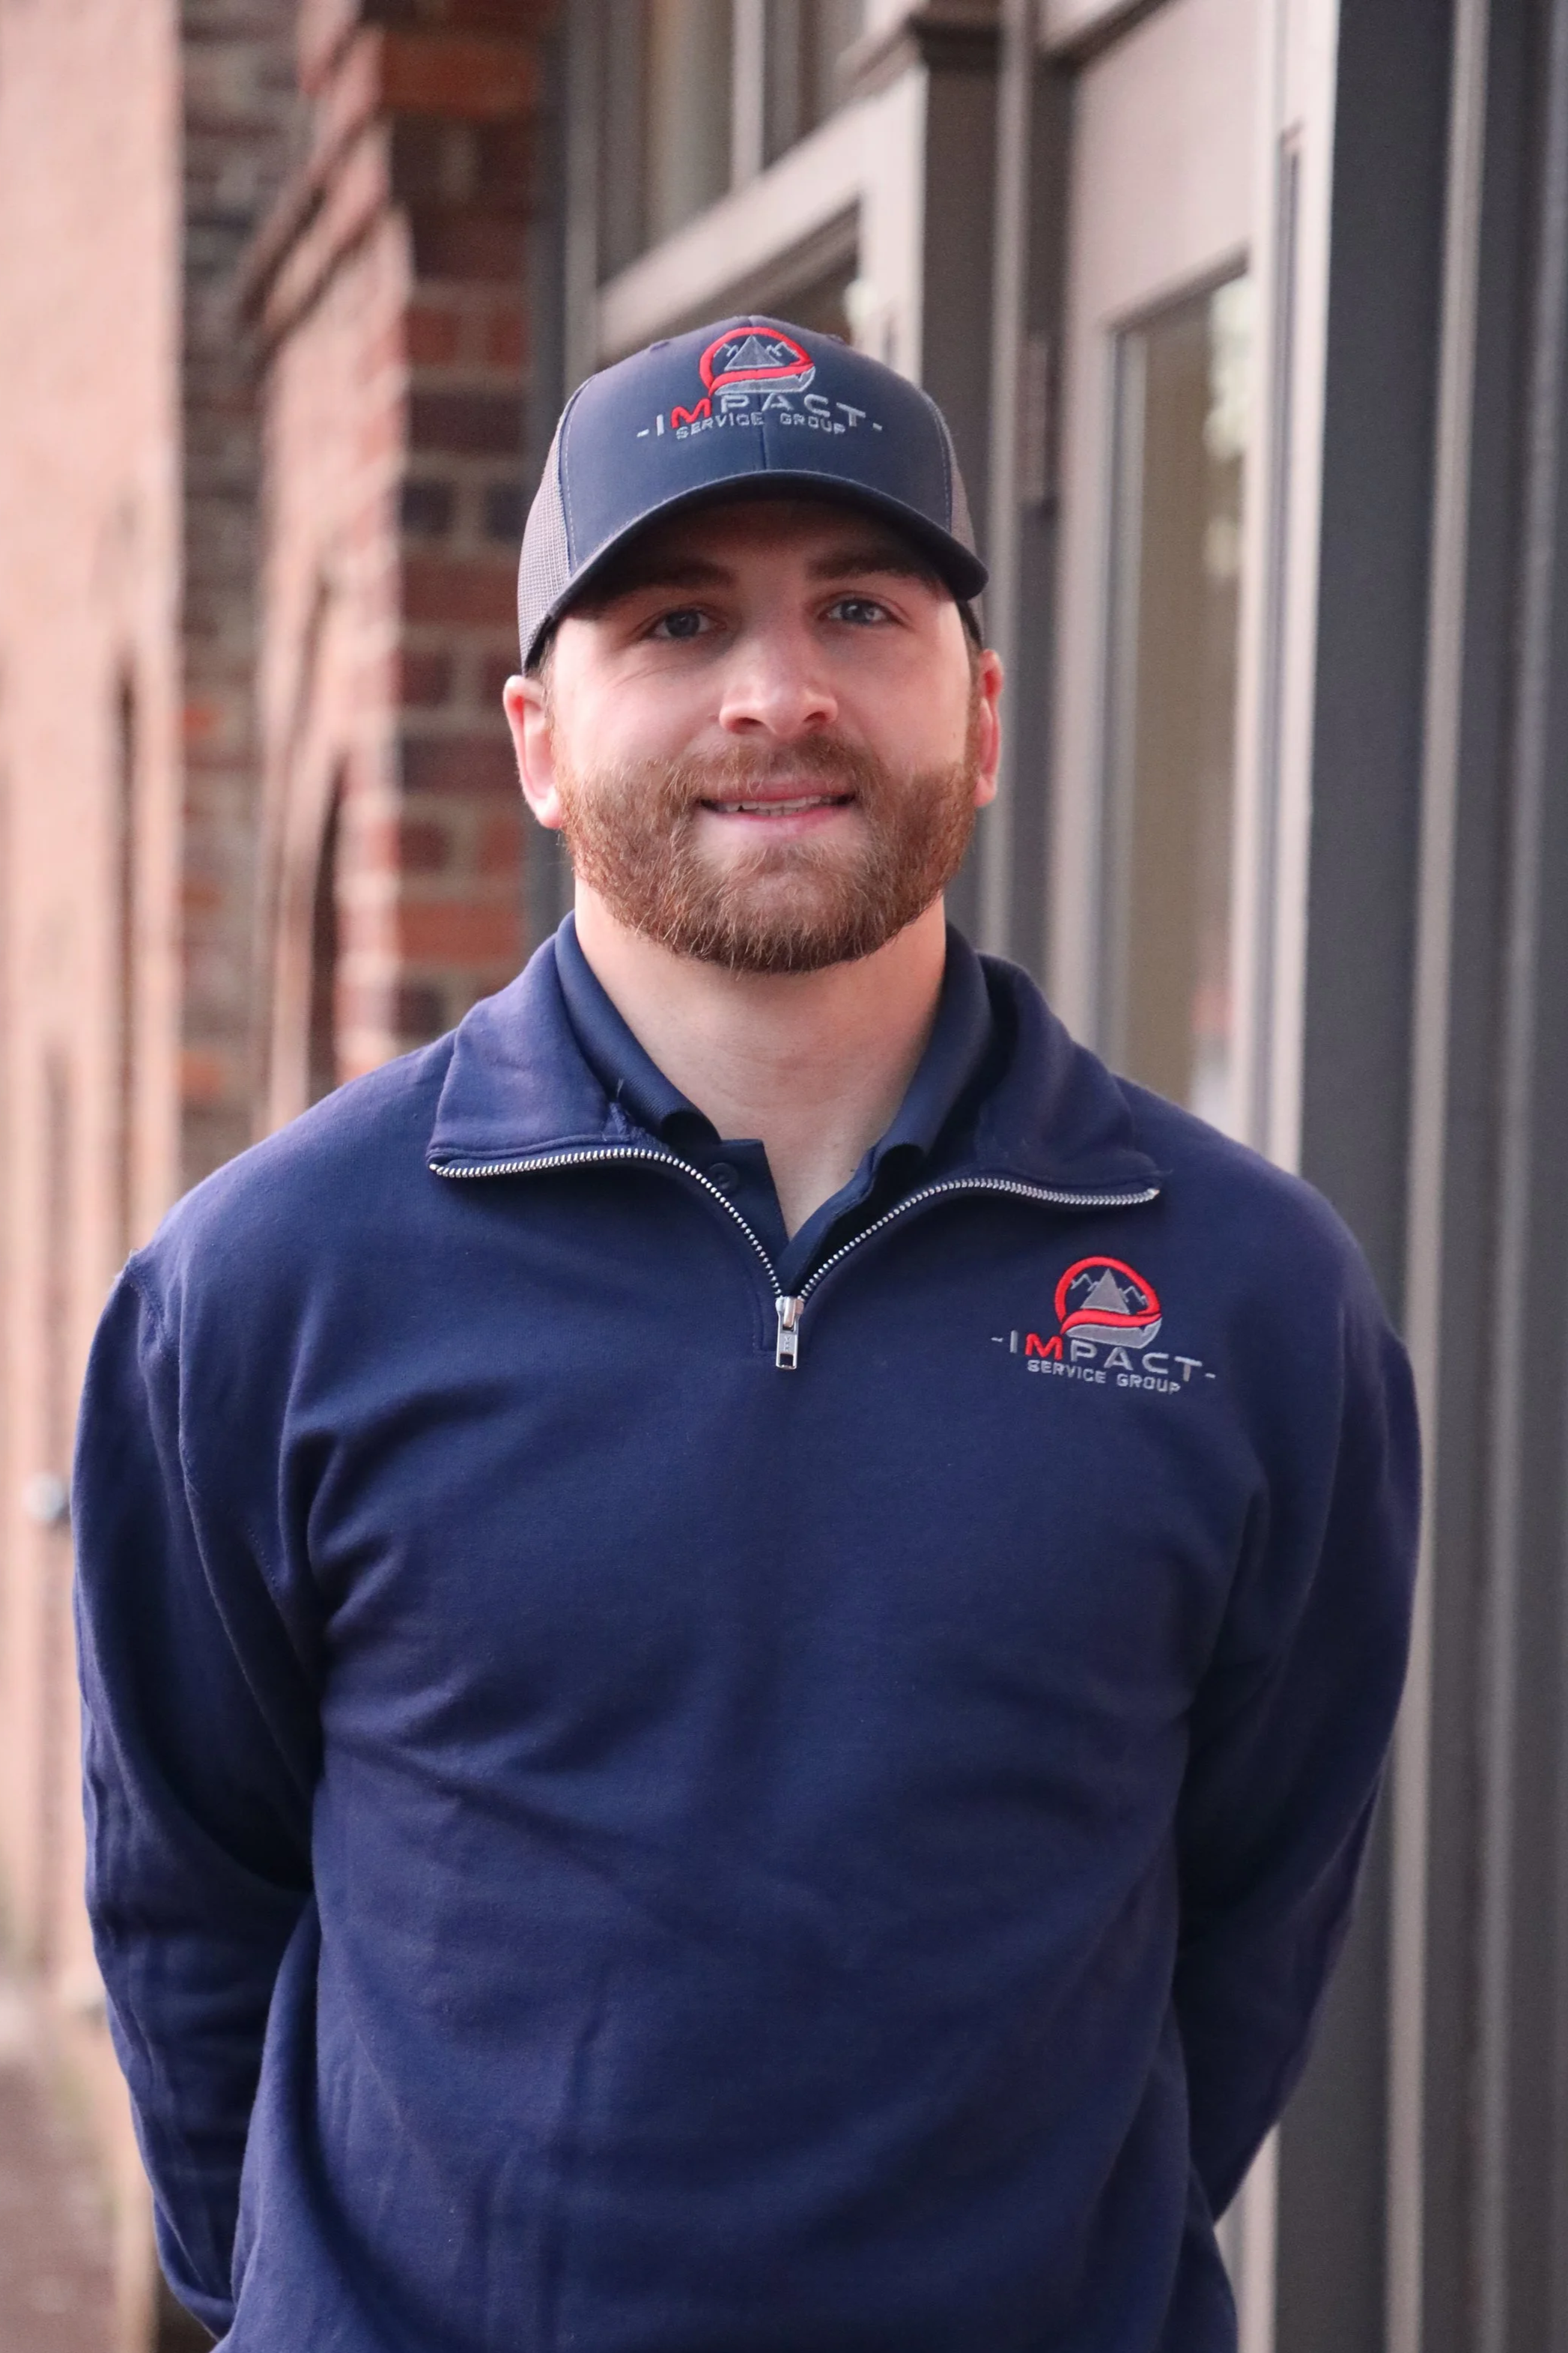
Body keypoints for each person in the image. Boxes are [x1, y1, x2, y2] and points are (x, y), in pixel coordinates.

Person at [74, 317, 1418, 2353]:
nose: (777, 692)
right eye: (679, 619)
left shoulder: (1242, 1296)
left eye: (855, 607)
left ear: (975, 709)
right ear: (538, 735)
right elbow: (189, 1901)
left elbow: (1246, 1917)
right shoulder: (265, 1286)